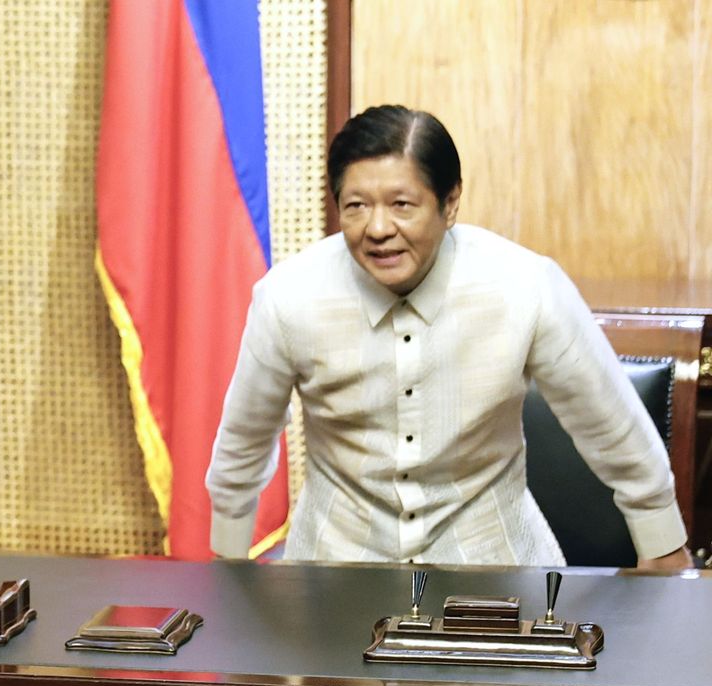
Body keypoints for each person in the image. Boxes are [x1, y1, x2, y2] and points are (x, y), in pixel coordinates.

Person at [205, 104, 692, 571]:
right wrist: (228, 560)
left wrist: (662, 541)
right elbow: (244, 440)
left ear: (450, 203)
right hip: (336, 575)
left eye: (401, 205)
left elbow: (609, 423)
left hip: (499, 572)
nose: (378, 228)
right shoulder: (288, 298)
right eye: (356, 206)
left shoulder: (525, 287)